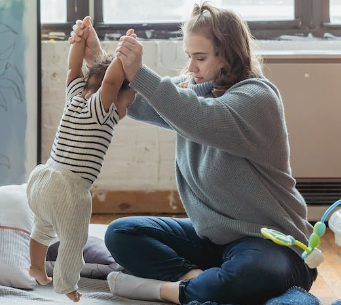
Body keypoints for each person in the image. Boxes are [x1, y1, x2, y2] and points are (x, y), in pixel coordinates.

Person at [70, 3, 318, 305]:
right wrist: (99, 60)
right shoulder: (194, 90)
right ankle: (199, 281)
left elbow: (199, 116)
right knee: (122, 233)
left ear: (229, 55)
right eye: (189, 57)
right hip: (213, 241)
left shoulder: (258, 97)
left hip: (272, 243)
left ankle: (168, 290)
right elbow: (143, 100)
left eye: (200, 58)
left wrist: (140, 72)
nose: (191, 67)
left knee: (251, 274)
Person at [27, 17, 134, 302]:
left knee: (41, 227)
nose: (127, 109)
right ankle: (66, 285)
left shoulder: (75, 95)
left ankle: (37, 266)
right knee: (74, 241)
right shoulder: (102, 110)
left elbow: (73, 67)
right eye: (128, 102)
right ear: (113, 96)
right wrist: (123, 55)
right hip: (69, 190)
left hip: (42, 179)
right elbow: (112, 80)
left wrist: (77, 41)